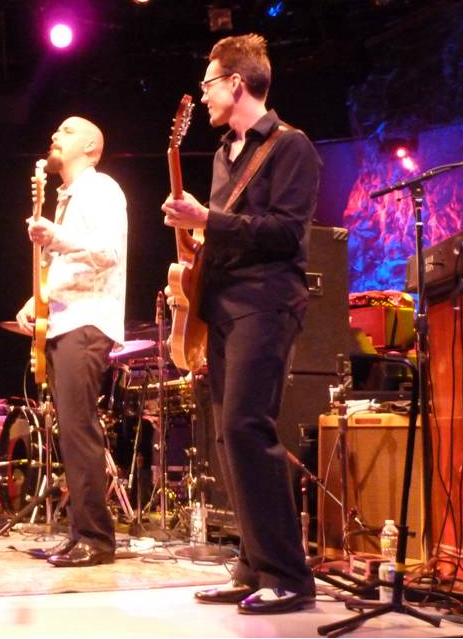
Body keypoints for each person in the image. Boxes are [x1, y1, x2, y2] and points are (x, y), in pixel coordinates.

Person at [161, 34, 320, 613]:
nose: (203, 95)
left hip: (267, 301)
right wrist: (196, 246)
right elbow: (229, 232)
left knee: (249, 427)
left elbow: (285, 231)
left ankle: (290, 576)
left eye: (208, 84)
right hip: (225, 304)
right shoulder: (225, 155)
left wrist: (209, 219)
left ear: (236, 82)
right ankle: (253, 566)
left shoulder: (291, 146)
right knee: (229, 436)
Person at [15, 116, 127, 568]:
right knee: (72, 431)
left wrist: (55, 237)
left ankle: (97, 539)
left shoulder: (101, 189)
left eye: (66, 131)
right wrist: (36, 299)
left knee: (80, 431)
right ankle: (80, 531)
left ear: (91, 147)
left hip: (87, 320)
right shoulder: (69, 197)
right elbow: (68, 266)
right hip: (64, 320)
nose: (55, 135)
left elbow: (108, 252)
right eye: (56, 130)